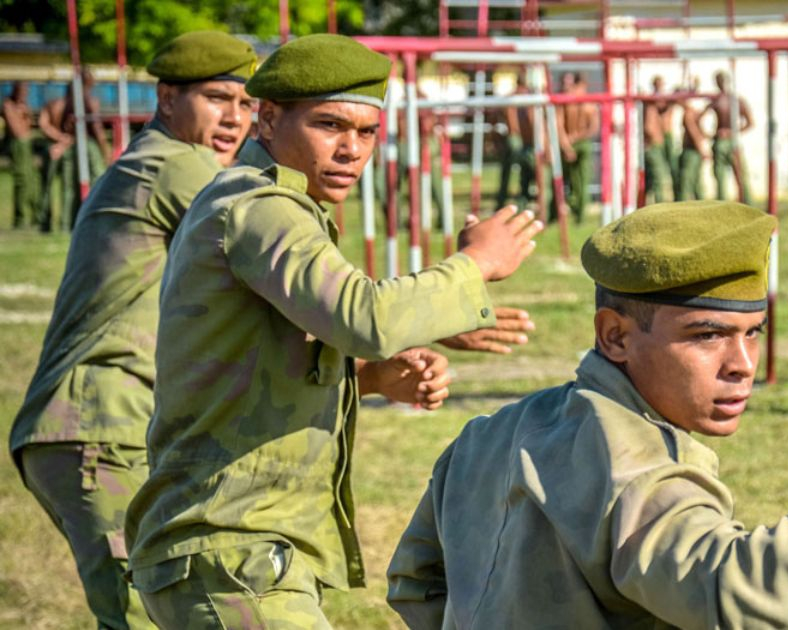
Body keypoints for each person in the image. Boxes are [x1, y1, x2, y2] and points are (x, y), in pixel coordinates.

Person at [388, 200, 788, 629]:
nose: (741, 364)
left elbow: (416, 581)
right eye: (707, 335)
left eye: (753, 333)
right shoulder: (639, 469)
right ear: (616, 337)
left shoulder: (487, 434)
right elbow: (740, 594)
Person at [123, 34, 544, 628]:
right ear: (266, 119)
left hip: (242, 551)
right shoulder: (259, 205)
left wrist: (369, 379)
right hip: (230, 550)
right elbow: (363, 317)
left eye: (367, 132)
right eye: (329, 126)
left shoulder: (275, 205)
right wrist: (475, 265)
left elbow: (260, 364)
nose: (351, 150)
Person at [8, 31, 258, 630]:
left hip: (101, 429)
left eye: (248, 104)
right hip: (99, 427)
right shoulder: (177, 164)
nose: (235, 117)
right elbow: (276, 260)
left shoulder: (158, 160)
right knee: (147, 617)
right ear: (168, 99)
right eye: (218, 98)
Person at [37, 68, 110, 231]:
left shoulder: (64, 103)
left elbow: (52, 126)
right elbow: (94, 130)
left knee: (69, 186)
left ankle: (64, 223)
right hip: (79, 148)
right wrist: (105, 151)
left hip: (68, 147)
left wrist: (61, 143)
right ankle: (67, 222)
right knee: (84, 183)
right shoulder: (84, 102)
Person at [557, 71, 598, 222]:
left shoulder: (568, 100)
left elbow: (559, 126)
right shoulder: (588, 102)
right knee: (579, 181)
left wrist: (568, 144)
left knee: (572, 181)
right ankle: (578, 213)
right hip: (578, 142)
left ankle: (576, 210)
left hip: (571, 142)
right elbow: (593, 128)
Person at [705, 70, 752, 202]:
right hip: (720, 141)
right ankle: (722, 205)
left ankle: (746, 203)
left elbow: (750, 122)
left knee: (740, 174)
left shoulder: (736, 100)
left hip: (732, 141)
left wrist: (733, 132)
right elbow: (698, 117)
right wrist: (709, 134)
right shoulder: (716, 100)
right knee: (720, 177)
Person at [496, 73, 536, 211]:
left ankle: (502, 200)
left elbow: (508, 120)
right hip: (520, 139)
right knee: (529, 169)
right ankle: (525, 200)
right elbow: (523, 122)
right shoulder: (528, 98)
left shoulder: (510, 97)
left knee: (507, 173)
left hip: (513, 137)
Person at [3, 81, 38, 227]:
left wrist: (25, 114)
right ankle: (20, 218)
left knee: (32, 181)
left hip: (26, 144)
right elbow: (17, 131)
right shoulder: (8, 105)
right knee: (21, 180)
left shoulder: (23, 106)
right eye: (22, 90)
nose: (24, 94)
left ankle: (34, 216)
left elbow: (29, 125)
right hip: (17, 145)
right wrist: (21, 115)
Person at [675, 77, 707, 201]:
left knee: (686, 181)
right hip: (694, 150)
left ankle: (684, 207)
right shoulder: (694, 111)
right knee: (696, 182)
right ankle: (702, 206)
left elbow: (694, 132)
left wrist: (701, 150)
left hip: (691, 151)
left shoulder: (689, 112)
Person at [641, 77, 671, 204]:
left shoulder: (657, 106)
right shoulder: (651, 105)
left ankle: (647, 205)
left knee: (651, 180)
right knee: (659, 178)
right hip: (653, 146)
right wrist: (653, 139)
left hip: (655, 145)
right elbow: (648, 127)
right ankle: (659, 206)